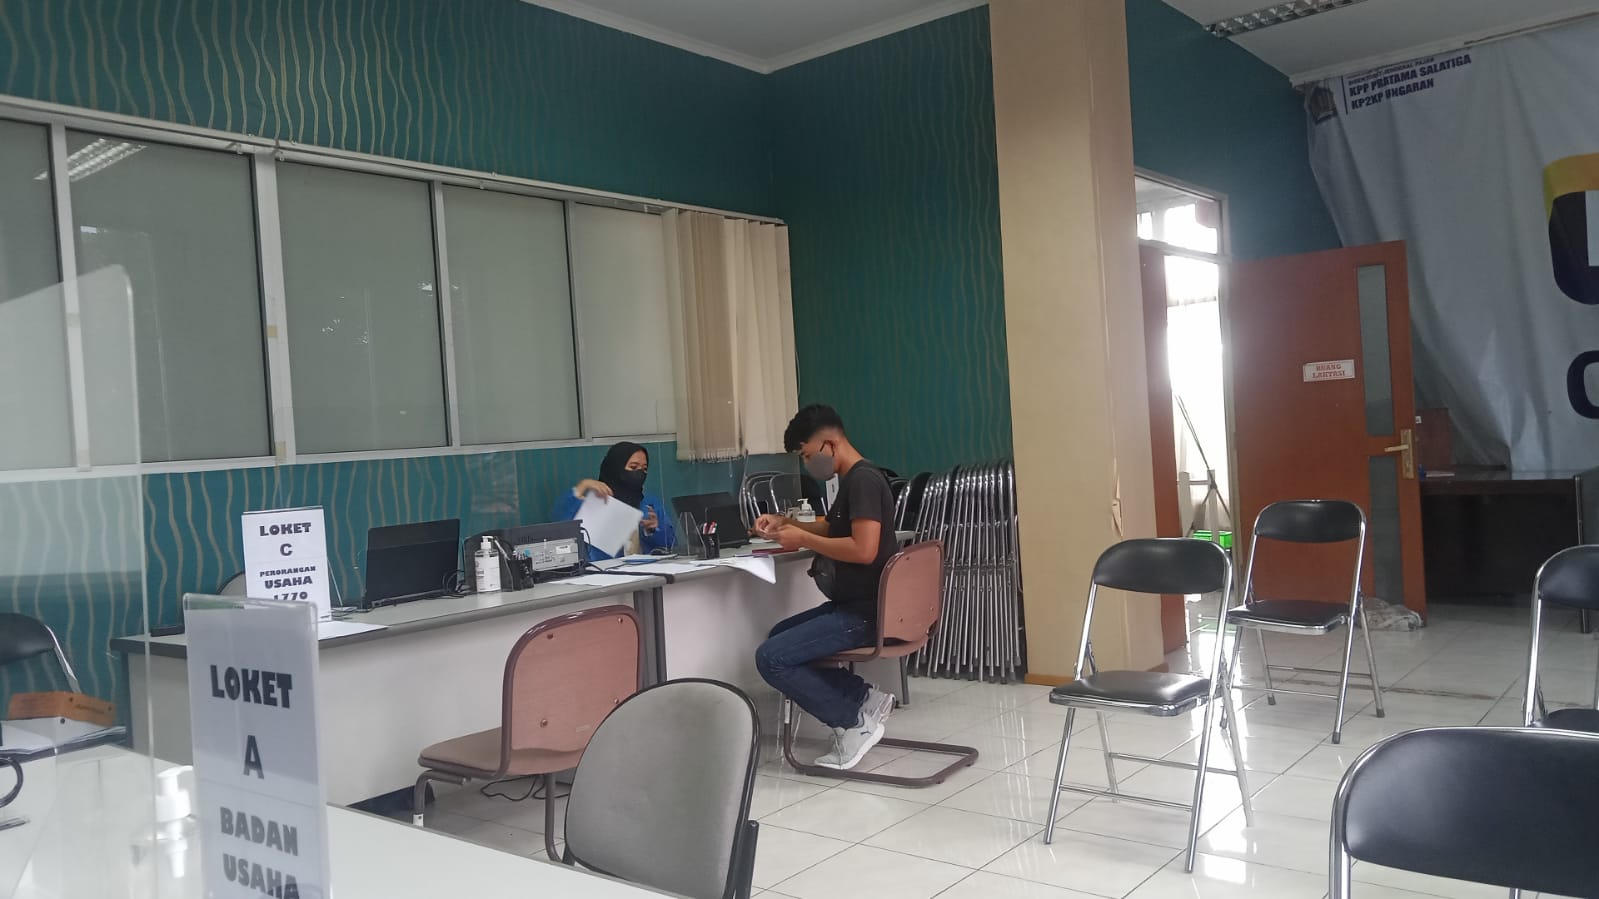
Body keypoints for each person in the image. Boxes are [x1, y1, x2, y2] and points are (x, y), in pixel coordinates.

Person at [753, 405, 899, 770]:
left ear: (829, 445)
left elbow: (864, 550)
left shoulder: (863, 481)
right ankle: (863, 698)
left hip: (865, 612)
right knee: (779, 635)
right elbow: (836, 530)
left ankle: (852, 723)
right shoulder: (853, 479)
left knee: (771, 657)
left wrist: (803, 539)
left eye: (807, 455)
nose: (807, 464)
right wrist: (787, 523)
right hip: (856, 604)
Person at [554, 442, 675, 560]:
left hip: (647, 569)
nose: (640, 473)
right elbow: (563, 536)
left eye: (644, 469)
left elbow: (671, 545)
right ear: (615, 467)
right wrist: (582, 487)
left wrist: (654, 531)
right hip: (601, 570)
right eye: (633, 467)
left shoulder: (650, 503)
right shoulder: (595, 501)